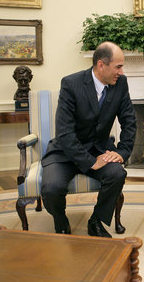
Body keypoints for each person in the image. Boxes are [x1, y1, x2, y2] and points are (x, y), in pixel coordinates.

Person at [41, 42, 136, 237]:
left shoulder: (121, 84)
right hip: (65, 152)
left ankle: (96, 221)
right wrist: (91, 163)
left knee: (117, 174)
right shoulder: (71, 84)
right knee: (51, 188)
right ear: (101, 65)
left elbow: (129, 122)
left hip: (98, 149)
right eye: (118, 66)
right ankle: (60, 221)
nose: (121, 71)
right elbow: (65, 132)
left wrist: (122, 152)